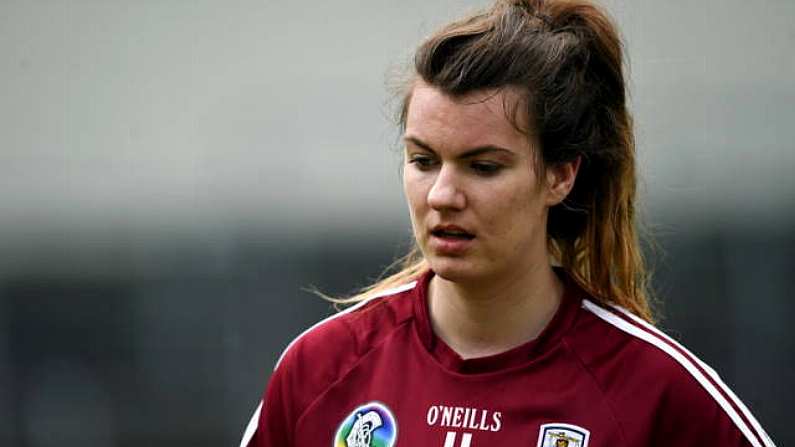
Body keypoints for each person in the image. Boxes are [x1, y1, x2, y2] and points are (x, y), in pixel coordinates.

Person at [240, 0, 775, 446]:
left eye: (484, 167)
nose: (443, 195)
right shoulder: (320, 369)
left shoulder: (658, 394)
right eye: (423, 161)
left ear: (560, 176)